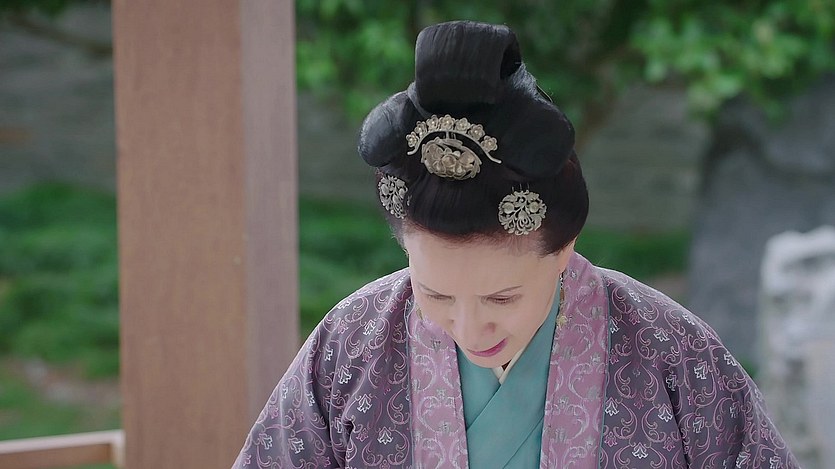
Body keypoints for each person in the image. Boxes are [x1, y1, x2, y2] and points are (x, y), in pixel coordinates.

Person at [233, 21, 798, 468]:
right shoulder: (351, 346)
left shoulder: (671, 353)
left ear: (564, 248)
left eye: (501, 298)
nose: (469, 329)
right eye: (435, 295)